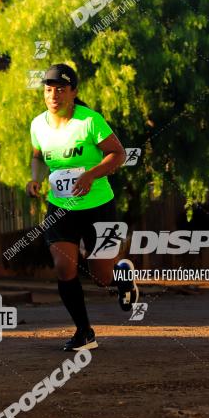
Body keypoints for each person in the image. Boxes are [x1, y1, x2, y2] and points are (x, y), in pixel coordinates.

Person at [26, 64, 138, 351]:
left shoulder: (90, 121)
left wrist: (90, 175)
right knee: (64, 268)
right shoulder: (38, 125)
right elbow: (38, 156)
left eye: (61, 90)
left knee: (101, 277)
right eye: (49, 90)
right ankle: (84, 332)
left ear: (74, 92)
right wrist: (34, 179)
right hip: (60, 208)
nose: (54, 95)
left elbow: (119, 154)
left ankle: (122, 274)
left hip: (98, 205)